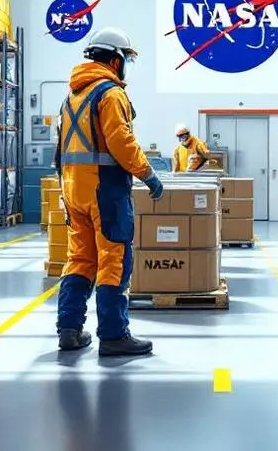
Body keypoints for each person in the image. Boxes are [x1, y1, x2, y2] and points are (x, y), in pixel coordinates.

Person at [53, 27, 165, 356]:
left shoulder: (71, 97)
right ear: (116, 61)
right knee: (113, 259)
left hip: (73, 188)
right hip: (105, 189)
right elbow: (121, 141)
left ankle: (69, 330)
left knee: (80, 258)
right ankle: (114, 334)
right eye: (126, 60)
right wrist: (148, 175)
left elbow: (58, 148)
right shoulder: (110, 94)